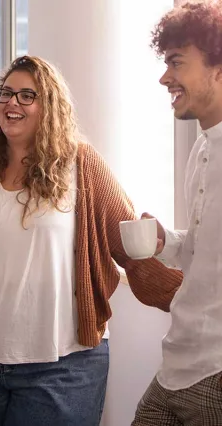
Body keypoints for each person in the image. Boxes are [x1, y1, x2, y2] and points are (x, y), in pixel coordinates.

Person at [0, 55, 183, 426]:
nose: (12, 103)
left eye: (27, 95)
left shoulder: (83, 167)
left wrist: (189, 299)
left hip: (63, 364)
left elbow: (130, 247)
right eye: (6, 93)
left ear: (51, 106)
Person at [132, 2, 222, 425]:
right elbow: (204, 250)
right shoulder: (201, 146)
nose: (165, 77)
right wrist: (169, 241)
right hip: (179, 360)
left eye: (176, 63)